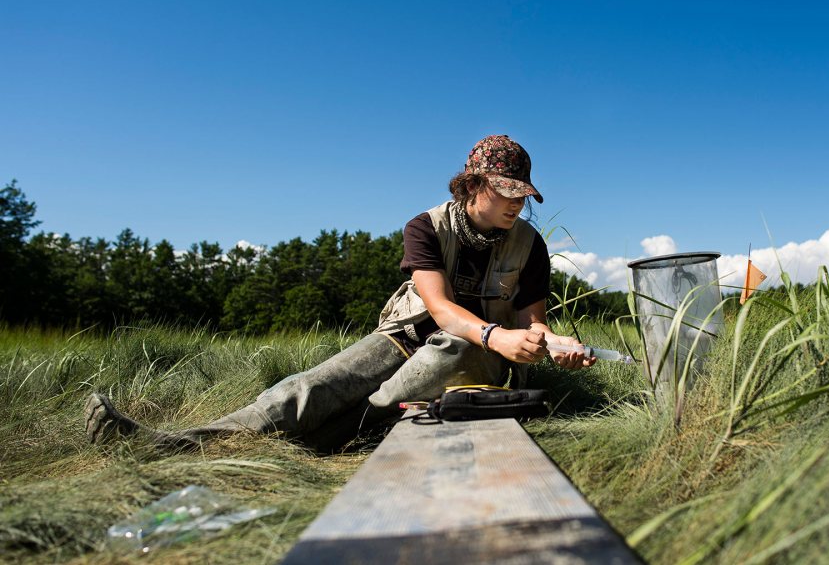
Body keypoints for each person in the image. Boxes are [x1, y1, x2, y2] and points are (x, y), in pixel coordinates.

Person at [85, 134, 596, 451]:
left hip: (481, 359)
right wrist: (497, 333)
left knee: (432, 365)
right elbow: (437, 306)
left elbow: (533, 320)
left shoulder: (530, 245)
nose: (516, 205)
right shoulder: (425, 226)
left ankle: (326, 440)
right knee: (310, 389)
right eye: (506, 191)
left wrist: (551, 343)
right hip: (409, 336)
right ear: (471, 186)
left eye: (522, 196)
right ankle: (174, 445)